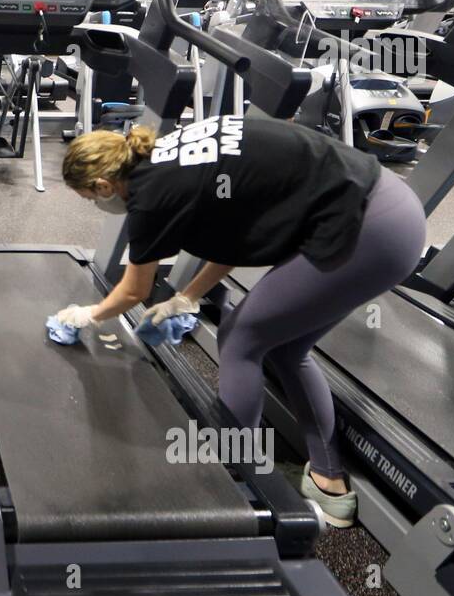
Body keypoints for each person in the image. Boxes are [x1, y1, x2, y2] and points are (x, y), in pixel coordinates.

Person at [55, 115, 426, 527]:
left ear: (104, 186)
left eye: (90, 198)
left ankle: (229, 478)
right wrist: (187, 297)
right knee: (285, 348)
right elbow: (239, 232)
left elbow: (134, 291)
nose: (96, 205)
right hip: (393, 210)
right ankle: (328, 481)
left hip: (366, 230)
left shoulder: (151, 195)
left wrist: (86, 315)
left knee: (239, 339)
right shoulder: (171, 154)